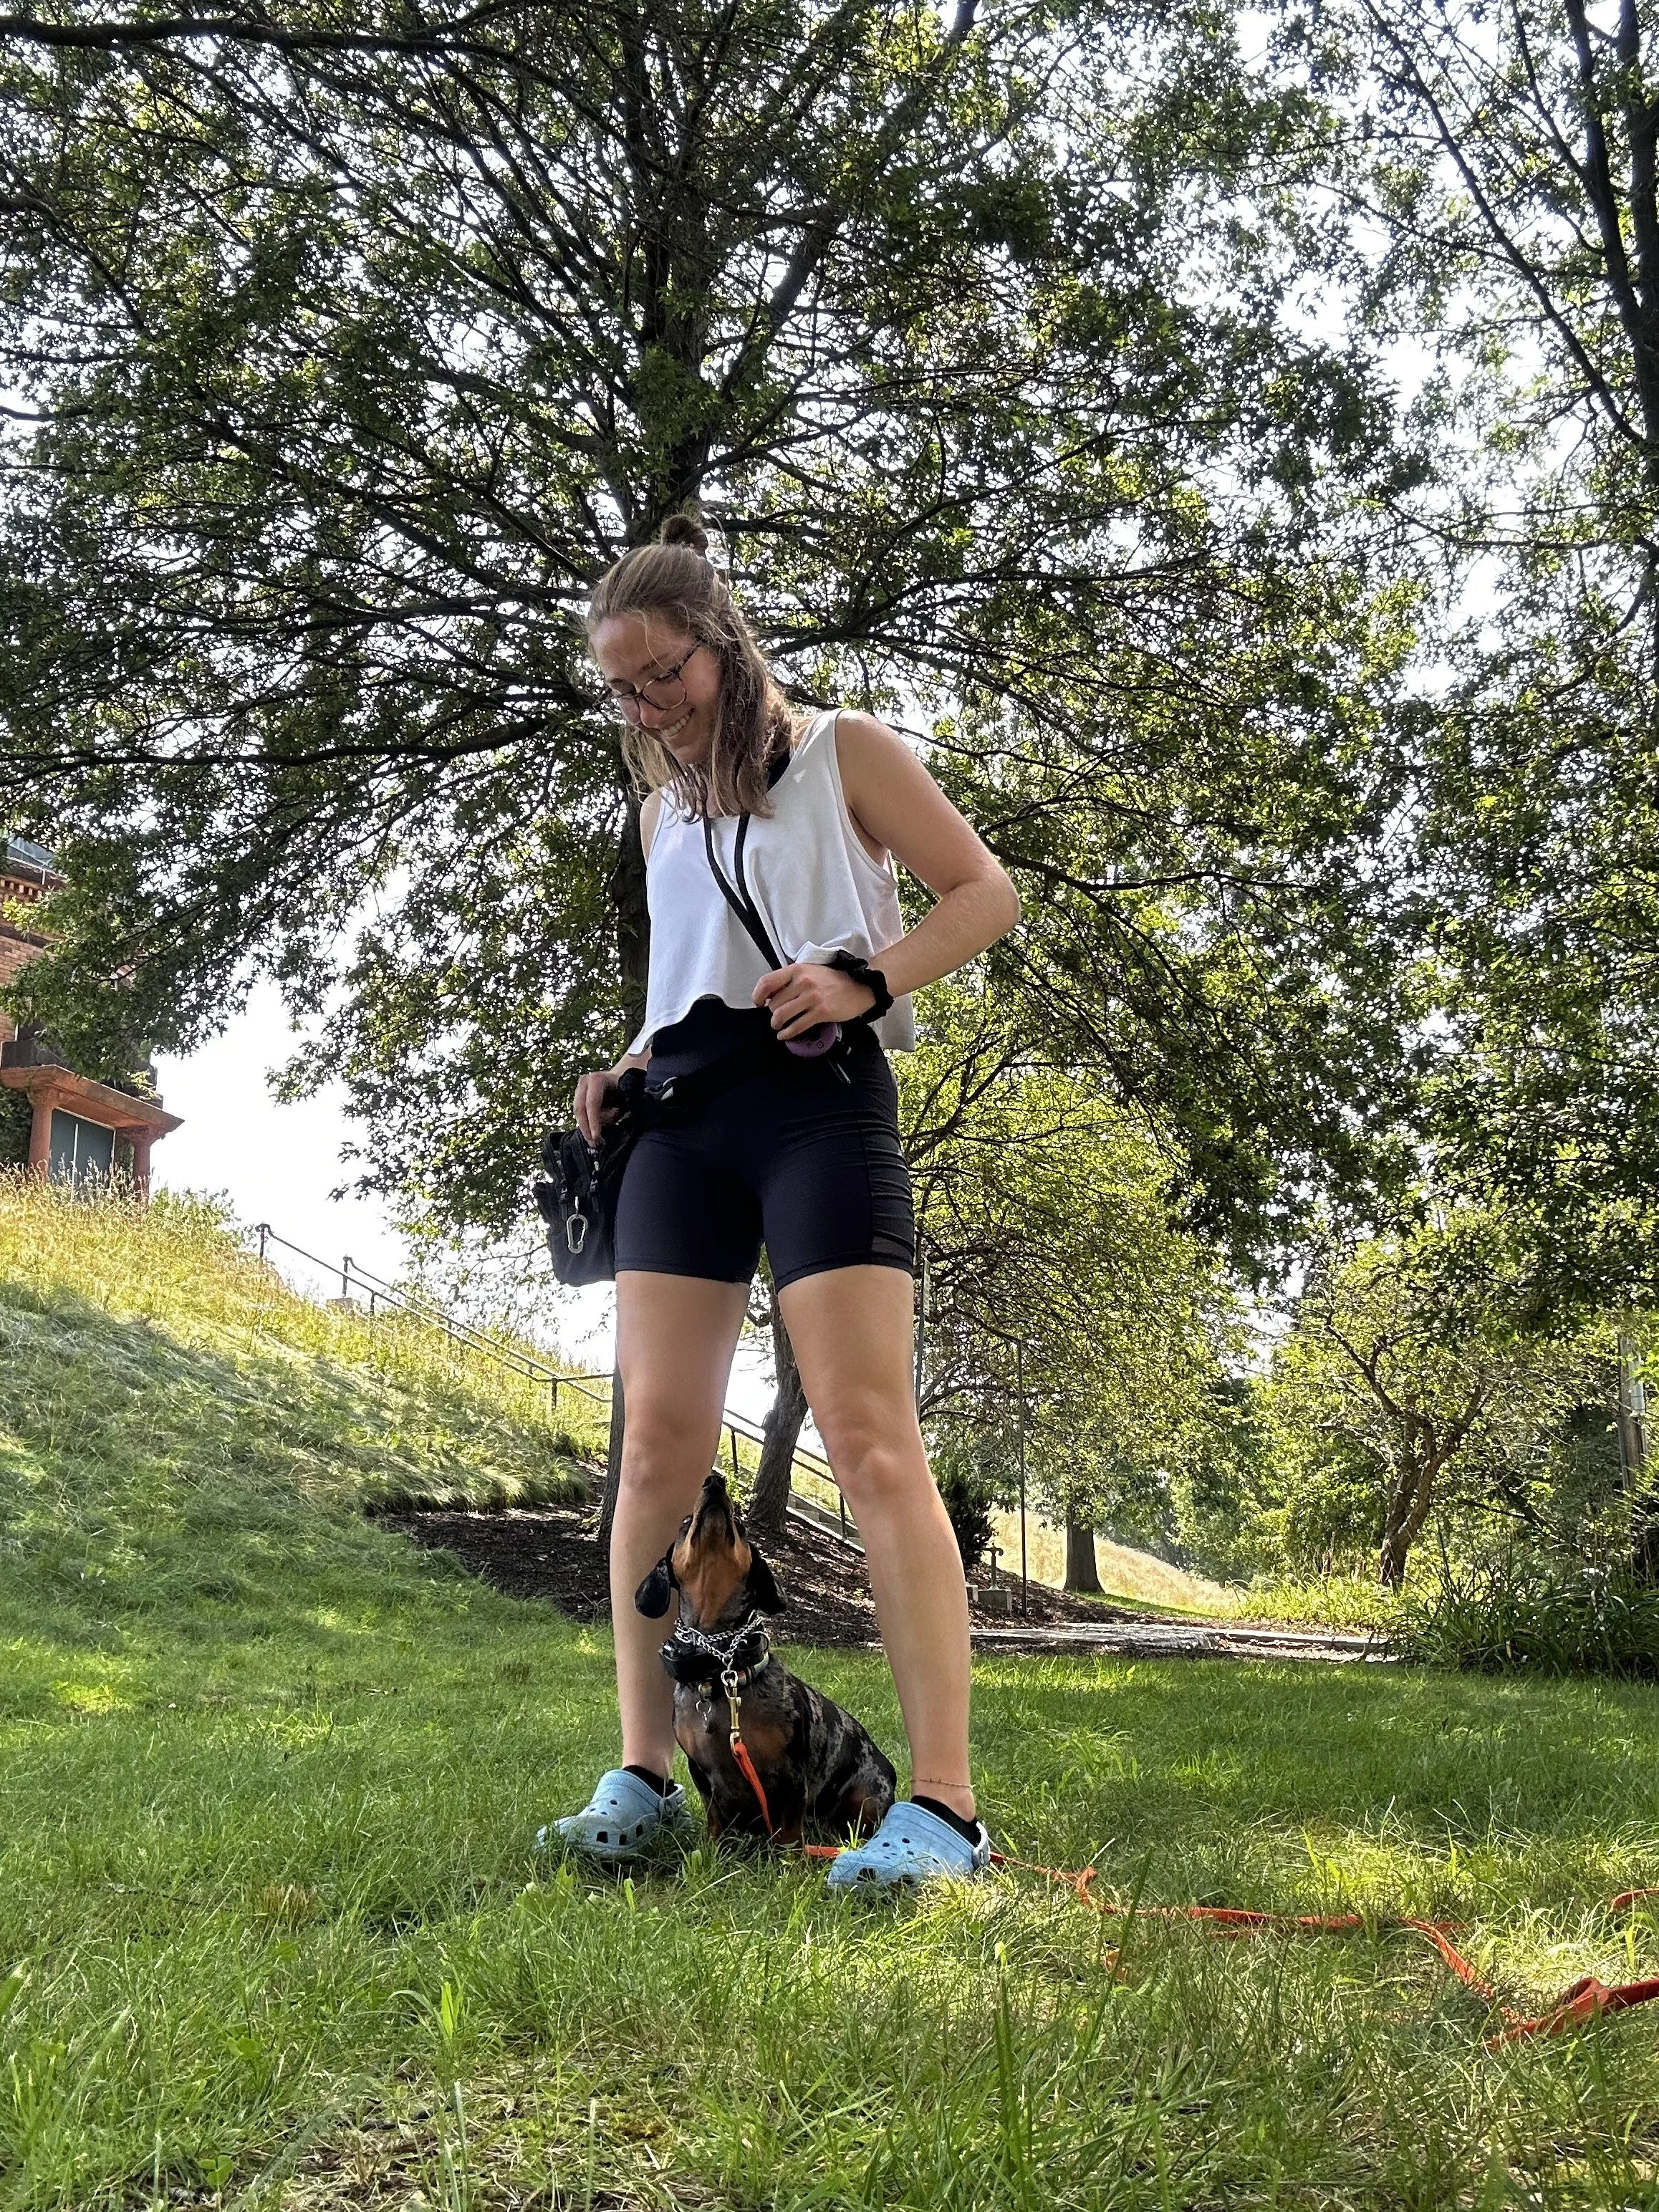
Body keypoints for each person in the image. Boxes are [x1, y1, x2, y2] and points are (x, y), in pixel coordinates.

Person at [548, 513, 1020, 1887]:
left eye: (664, 676)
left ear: (721, 645)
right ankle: (641, 1782)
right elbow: (682, 979)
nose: (646, 708)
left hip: (817, 1098)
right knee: (653, 1451)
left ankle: (944, 1812)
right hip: (681, 1122)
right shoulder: (660, 810)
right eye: (621, 690)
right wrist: (623, 1069)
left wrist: (865, 976)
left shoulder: (841, 752)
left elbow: (983, 895)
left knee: (872, 1436)